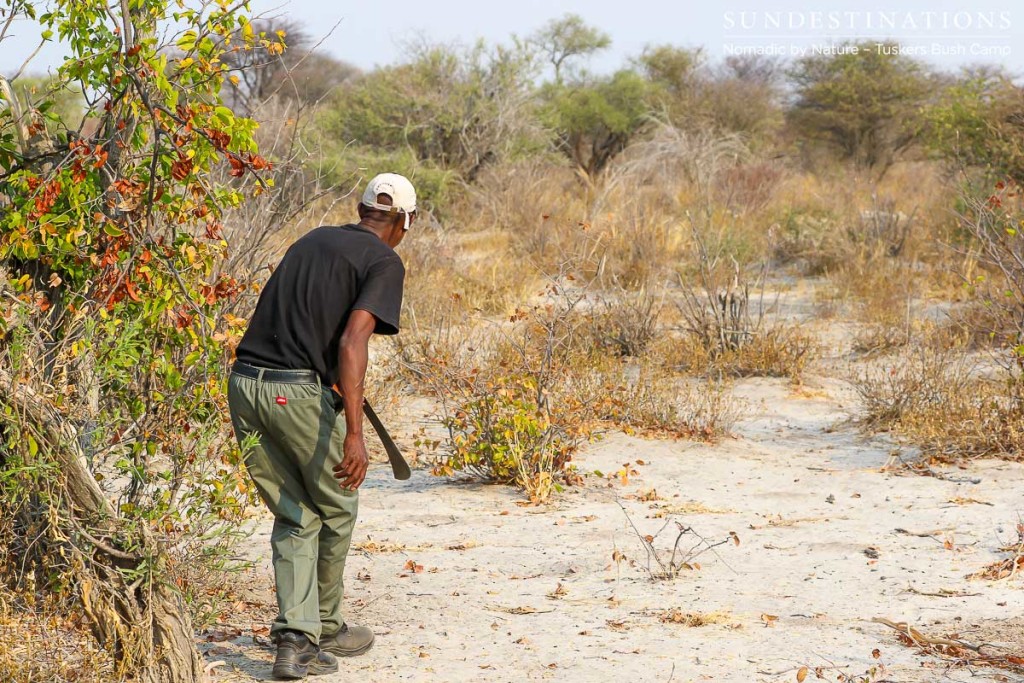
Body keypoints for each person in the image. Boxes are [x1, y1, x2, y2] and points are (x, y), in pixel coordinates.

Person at [227, 173, 415, 680]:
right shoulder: (384, 260)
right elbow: (353, 342)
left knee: (295, 513)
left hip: (245, 384)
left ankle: (294, 639)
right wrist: (355, 434)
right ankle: (326, 627)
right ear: (404, 222)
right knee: (335, 508)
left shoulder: (312, 238)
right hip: (295, 393)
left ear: (361, 210)